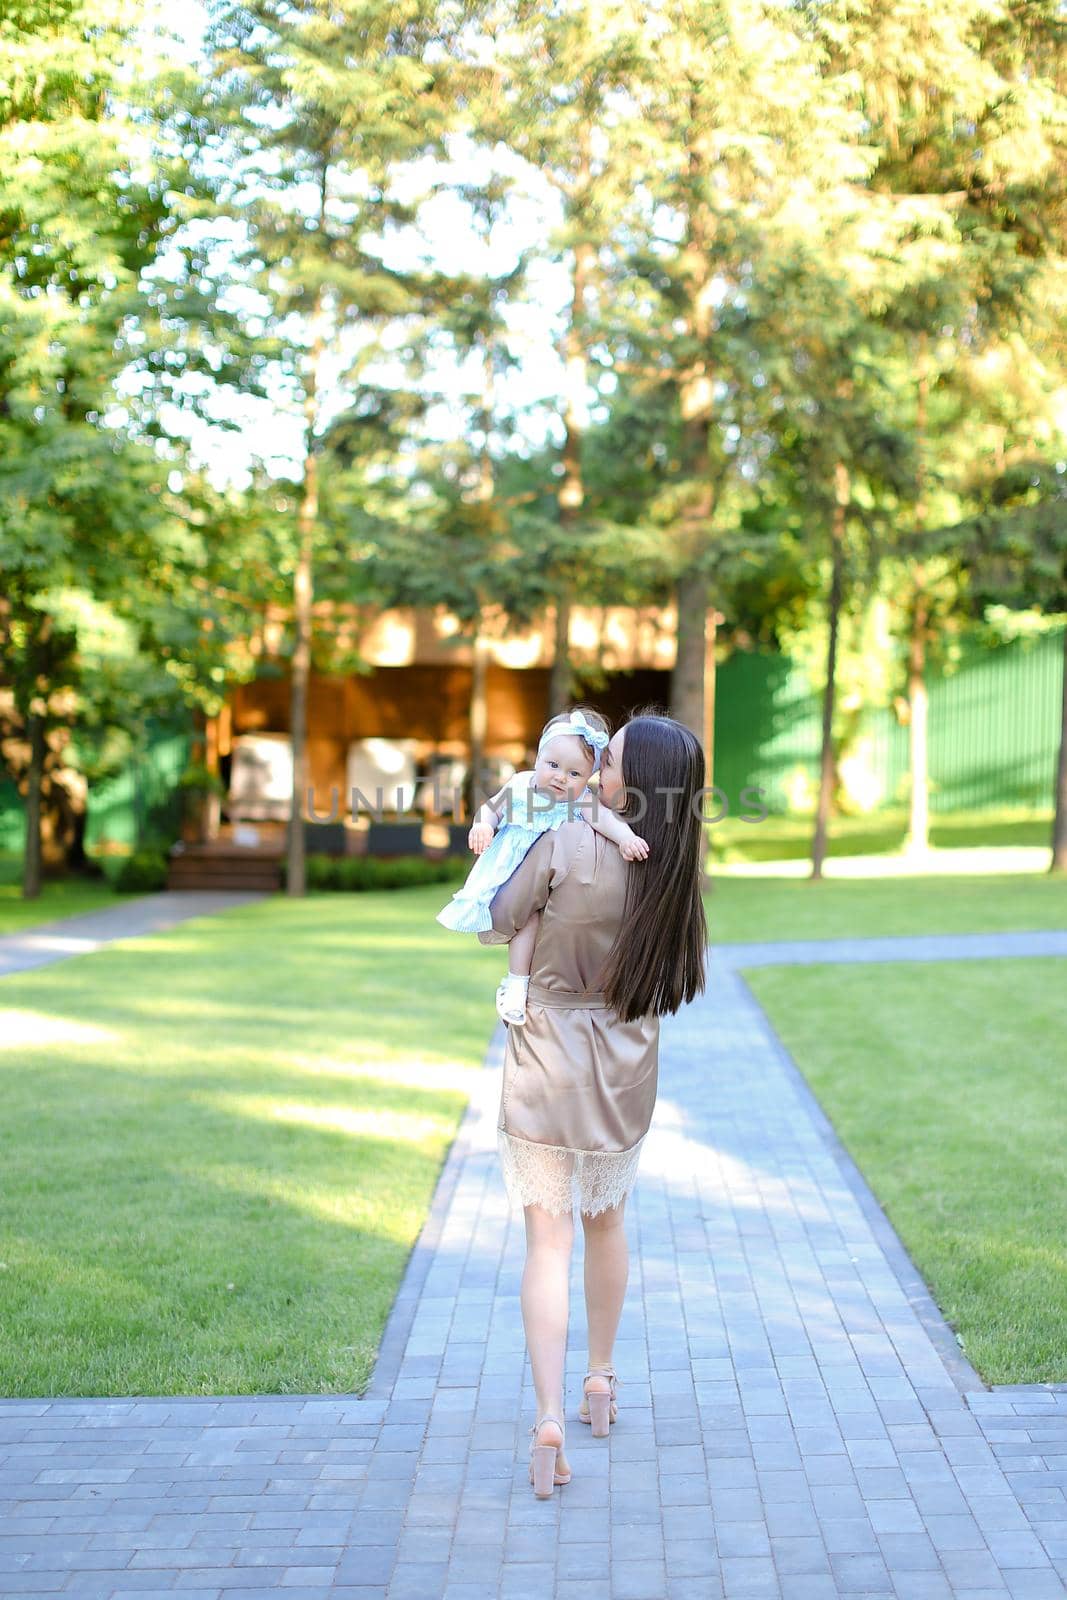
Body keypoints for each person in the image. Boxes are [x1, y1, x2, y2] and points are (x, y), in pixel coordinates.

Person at [476, 709, 708, 1497]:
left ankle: (547, 1419)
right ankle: (600, 1381)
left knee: (547, 1241)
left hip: (545, 1053)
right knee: (605, 1221)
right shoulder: (671, 863)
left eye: (604, 760)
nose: (589, 769)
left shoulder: (561, 838)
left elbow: (495, 920)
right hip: (624, 1062)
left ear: (628, 780)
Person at [436, 706, 650, 1026]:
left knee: (534, 923)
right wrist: (483, 826)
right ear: (537, 759)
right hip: (508, 873)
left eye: (575, 773)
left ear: (588, 776)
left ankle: (516, 984)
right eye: (552, 765)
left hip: (548, 887)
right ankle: (517, 982)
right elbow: (490, 809)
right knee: (523, 919)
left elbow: (605, 819)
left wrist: (626, 838)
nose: (561, 777)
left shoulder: (581, 801)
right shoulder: (521, 786)